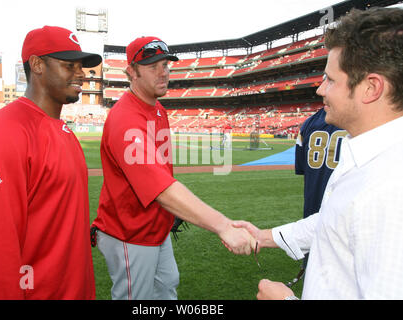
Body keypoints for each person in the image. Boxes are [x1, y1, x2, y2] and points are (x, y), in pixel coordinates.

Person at [237, 7, 403, 299]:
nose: (319, 90)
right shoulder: (367, 151)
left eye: (330, 80)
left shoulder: (392, 187)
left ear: (371, 88)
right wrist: (264, 236)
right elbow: (337, 221)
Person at [91, 36, 255, 300]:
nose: (163, 71)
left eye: (165, 64)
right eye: (152, 65)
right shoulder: (126, 118)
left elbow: (161, 173)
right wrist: (223, 225)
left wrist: (166, 214)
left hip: (155, 226)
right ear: (131, 72)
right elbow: (160, 187)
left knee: (167, 286)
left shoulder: (158, 109)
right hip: (129, 231)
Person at [0, 26, 102, 299]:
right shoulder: (4, 135)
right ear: (37, 65)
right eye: (69, 65)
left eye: (81, 66)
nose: (81, 74)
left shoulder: (62, 131)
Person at [289, 108, 347, 284]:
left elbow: (302, 168)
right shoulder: (361, 121)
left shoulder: (309, 123)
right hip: (346, 214)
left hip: (313, 208)